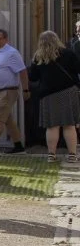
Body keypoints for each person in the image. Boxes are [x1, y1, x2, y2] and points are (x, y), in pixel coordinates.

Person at [29, 31, 80, 164]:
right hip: (68, 92)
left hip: (48, 95)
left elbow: (33, 77)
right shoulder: (68, 53)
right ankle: (72, 155)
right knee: (69, 125)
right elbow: (77, 69)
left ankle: (51, 155)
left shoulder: (38, 57)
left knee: (52, 126)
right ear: (57, 39)